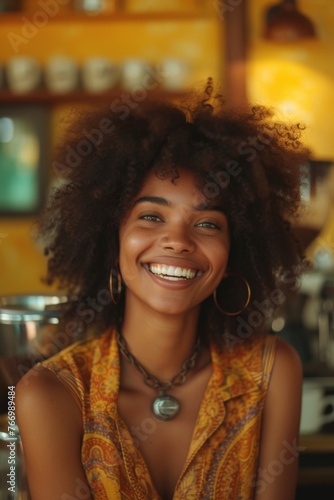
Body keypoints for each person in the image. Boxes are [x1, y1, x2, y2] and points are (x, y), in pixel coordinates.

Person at [16, 82, 308, 500]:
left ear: (233, 255)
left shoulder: (272, 371)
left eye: (207, 223)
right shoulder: (49, 394)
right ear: (111, 240)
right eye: (152, 216)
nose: (178, 241)